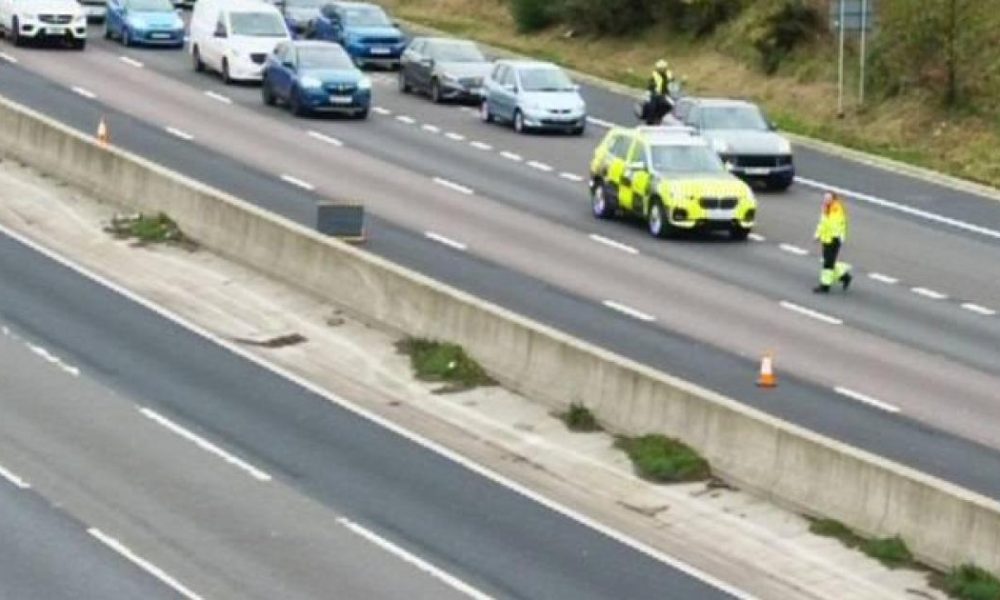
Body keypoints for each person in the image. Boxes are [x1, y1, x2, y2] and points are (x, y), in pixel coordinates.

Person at [813, 191, 852, 293]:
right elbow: (822, 223)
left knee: (828, 264)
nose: (825, 200)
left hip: (834, 239)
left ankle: (825, 285)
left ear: (833, 199)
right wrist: (817, 234)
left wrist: (836, 238)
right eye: (825, 198)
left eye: (828, 198)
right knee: (828, 261)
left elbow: (833, 224)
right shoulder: (826, 208)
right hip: (827, 238)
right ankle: (844, 276)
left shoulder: (836, 209)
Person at [645, 59, 675, 125]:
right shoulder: (654, 75)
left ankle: (659, 116)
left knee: (670, 105)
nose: (662, 70)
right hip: (656, 94)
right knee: (652, 106)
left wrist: (675, 83)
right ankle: (650, 120)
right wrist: (652, 86)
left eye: (664, 68)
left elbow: (672, 81)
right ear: (658, 68)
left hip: (665, 94)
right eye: (661, 68)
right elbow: (650, 84)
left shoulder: (668, 73)